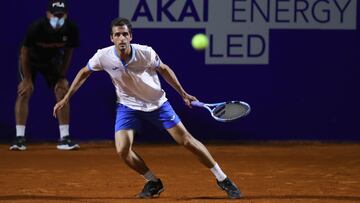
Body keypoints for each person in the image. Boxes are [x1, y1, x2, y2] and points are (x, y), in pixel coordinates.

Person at [53, 17, 241, 199]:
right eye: (117, 35)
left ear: (130, 36)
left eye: (125, 34)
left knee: (187, 141)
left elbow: (165, 70)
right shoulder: (103, 56)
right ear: (111, 38)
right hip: (127, 105)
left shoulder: (146, 53)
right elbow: (84, 72)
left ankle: (222, 178)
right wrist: (67, 98)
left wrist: (183, 93)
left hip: (157, 104)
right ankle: (153, 181)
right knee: (122, 150)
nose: (121, 38)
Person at [10, 0, 80, 151]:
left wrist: (62, 75)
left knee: (62, 90)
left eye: (61, 15)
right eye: (55, 15)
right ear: (48, 14)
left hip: (51, 63)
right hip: (30, 61)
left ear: (66, 15)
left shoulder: (71, 29)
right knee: (25, 91)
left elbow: (68, 52)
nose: (58, 18)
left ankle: (64, 138)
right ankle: (19, 138)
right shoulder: (37, 27)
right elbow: (24, 52)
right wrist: (27, 79)